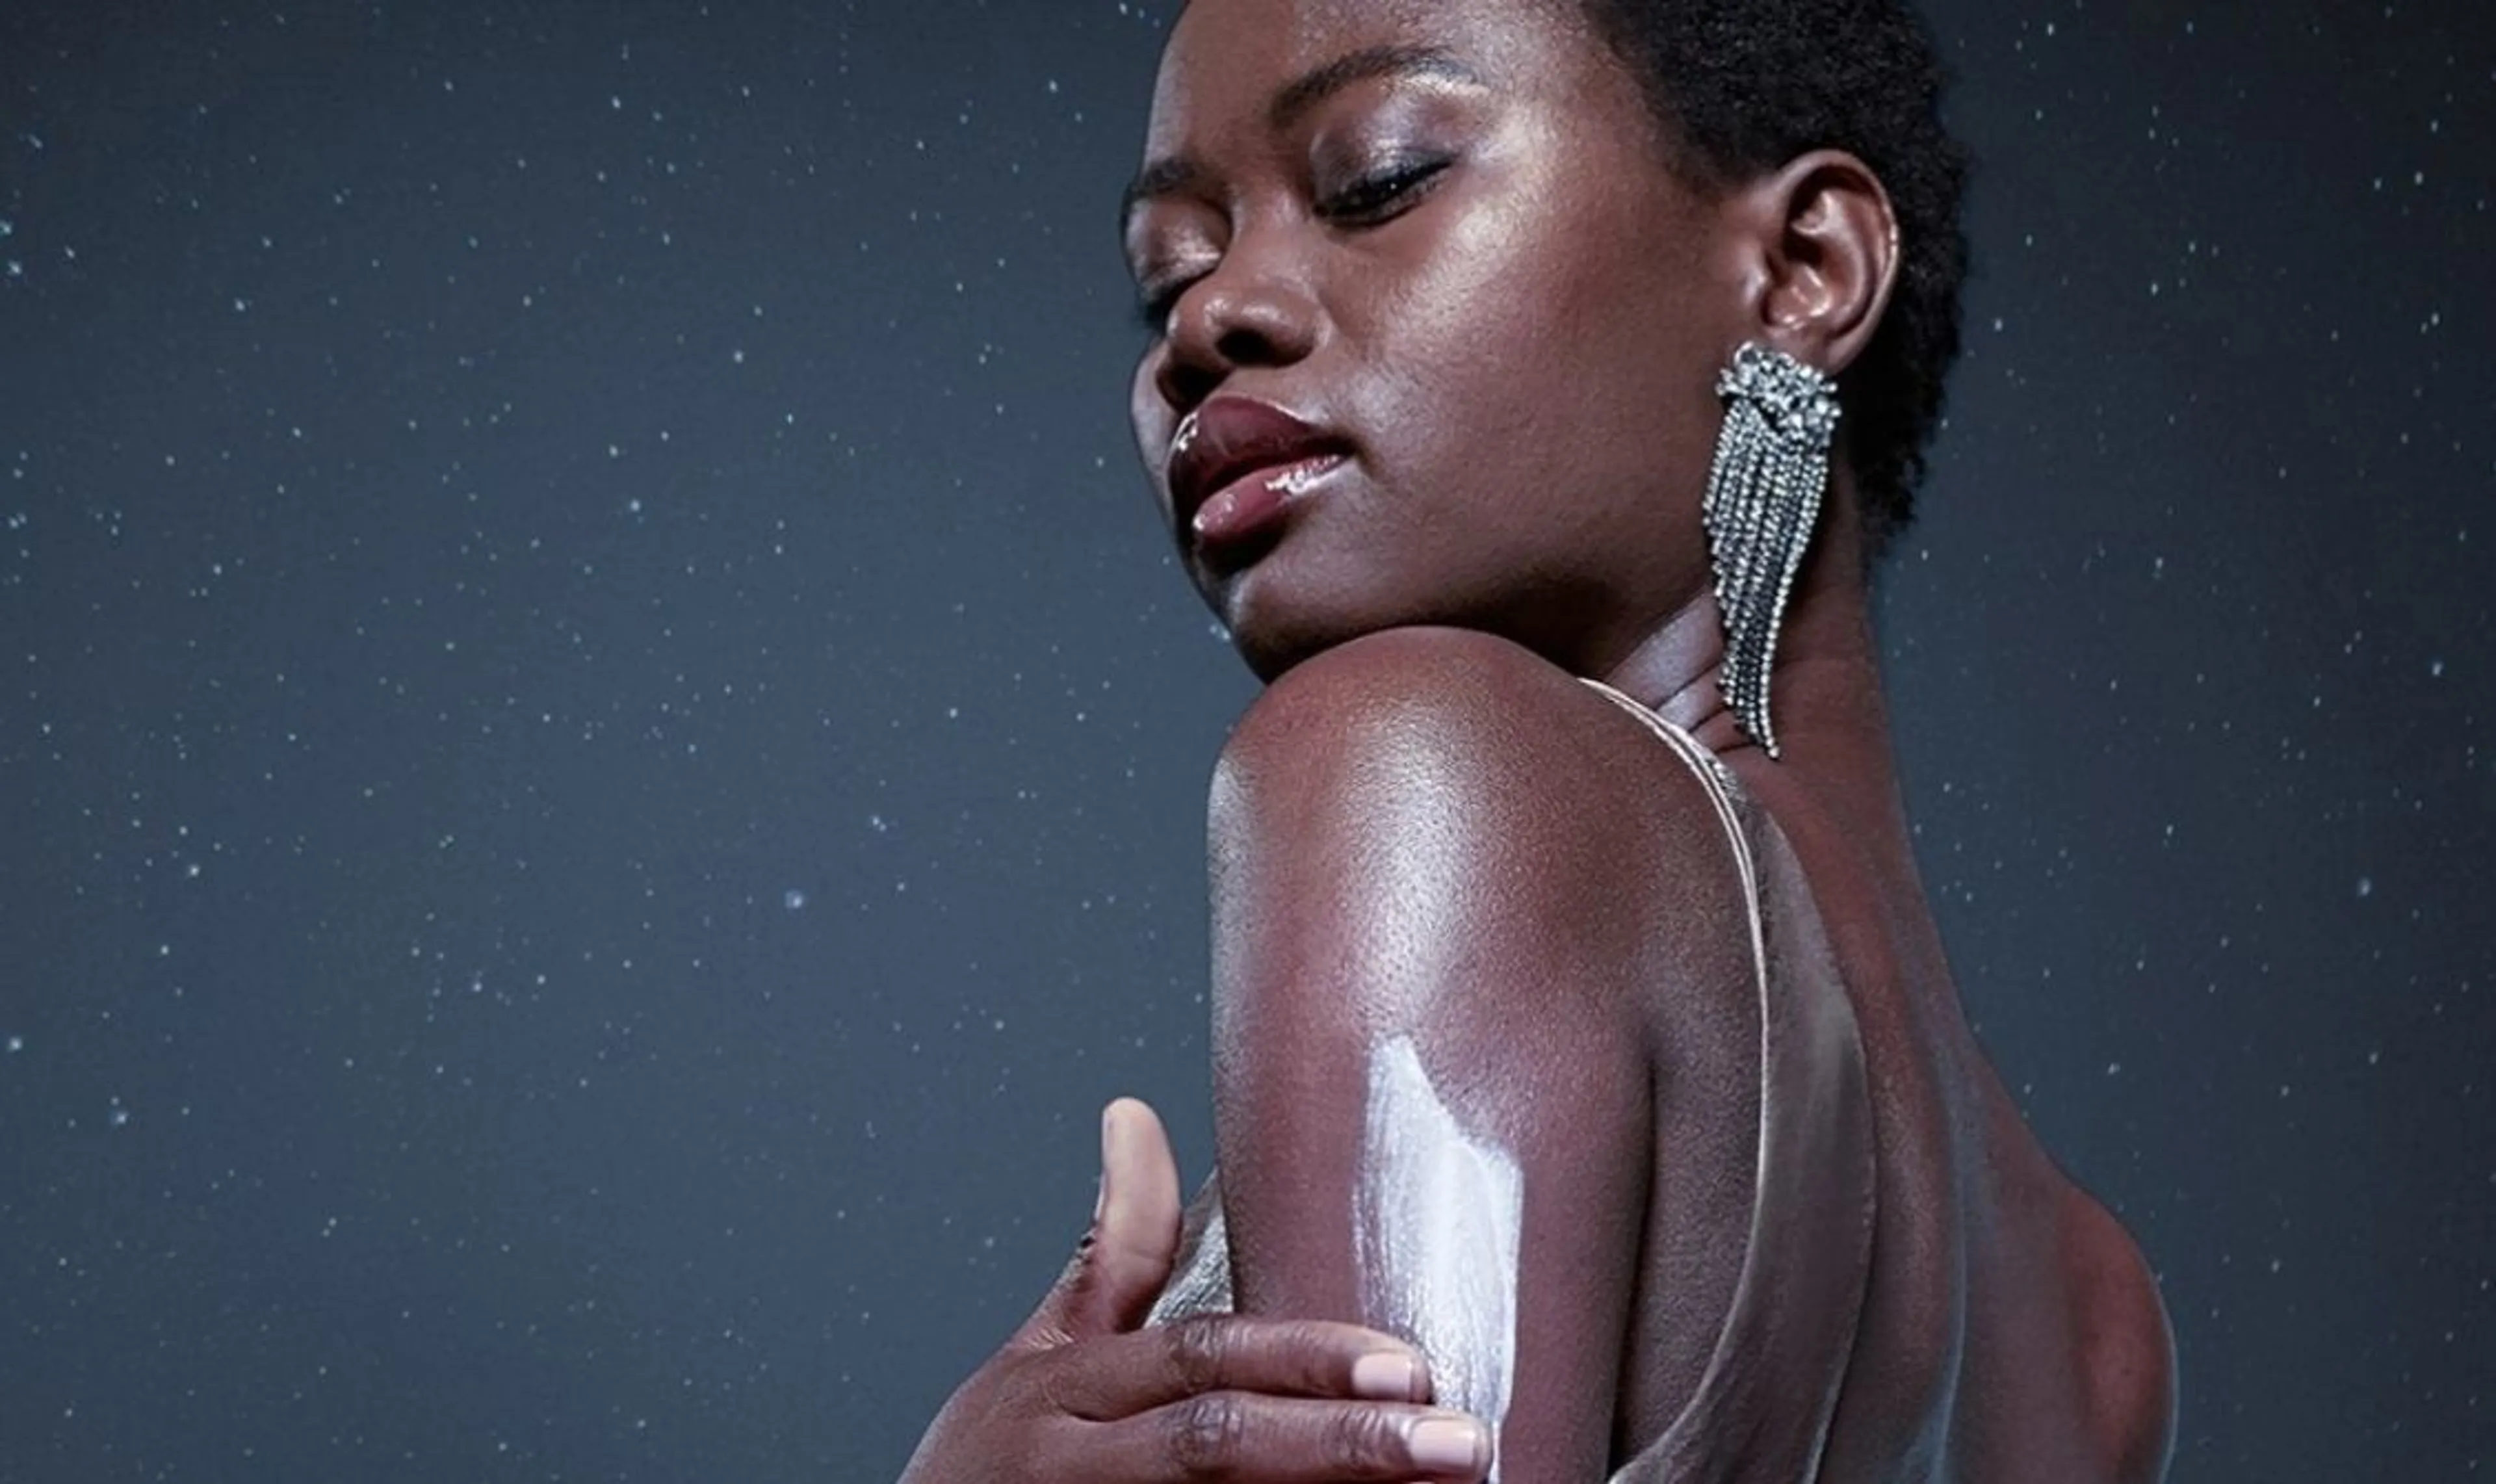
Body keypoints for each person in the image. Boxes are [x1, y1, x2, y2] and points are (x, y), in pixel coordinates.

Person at [902, 0, 2178, 1478]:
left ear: (1803, 269)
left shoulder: (1425, 766)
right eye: (1168, 276)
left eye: (1376, 179)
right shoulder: (2098, 1318)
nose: (1208, 319)